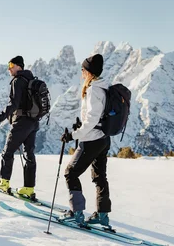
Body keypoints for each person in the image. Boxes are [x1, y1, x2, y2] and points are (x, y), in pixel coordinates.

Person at [60, 54, 112, 227]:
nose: (81, 72)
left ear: (90, 72)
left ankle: (77, 212)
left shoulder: (93, 90)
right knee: (100, 177)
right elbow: (96, 117)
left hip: (92, 140)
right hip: (103, 138)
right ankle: (102, 215)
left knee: (70, 173)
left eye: (83, 69)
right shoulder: (104, 87)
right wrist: (80, 126)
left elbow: (91, 119)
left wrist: (73, 135)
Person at [0, 56, 40, 198]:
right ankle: (29, 188)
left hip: (21, 122)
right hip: (34, 122)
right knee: (29, 154)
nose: (9, 68)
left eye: (11, 65)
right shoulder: (31, 79)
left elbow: (13, 105)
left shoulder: (17, 81)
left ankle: (4, 182)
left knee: (7, 152)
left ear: (18, 66)